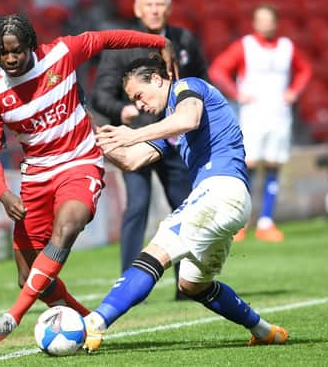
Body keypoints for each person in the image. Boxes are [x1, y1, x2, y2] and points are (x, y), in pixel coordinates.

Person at [0, 14, 176, 345]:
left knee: (67, 227)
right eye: (2, 53)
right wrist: (3, 193)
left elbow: (107, 38)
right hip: (36, 175)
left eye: (17, 52)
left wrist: (158, 42)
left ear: (32, 46)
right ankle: (86, 324)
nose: (10, 59)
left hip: (80, 162)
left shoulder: (61, 54)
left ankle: (13, 317)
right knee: (28, 276)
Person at [82, 55, 288, 353]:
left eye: (139, 95)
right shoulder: (170, 127)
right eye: (133, 100)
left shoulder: (187, 88)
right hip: (227, 202)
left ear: (156, 79)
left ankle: (95, 322)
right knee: (193, 285)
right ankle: (264, 330)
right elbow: (133, 160)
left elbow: (188, 118)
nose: (139, 105)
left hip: (220, 191)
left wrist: (133, 133)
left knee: (156, 251)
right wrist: (95, 140)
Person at [91, 0, 208, 300]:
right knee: (137, 207)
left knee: (186, 207)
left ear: (169, 8)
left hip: (177, 141)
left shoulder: (183, 40)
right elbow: (99, 94)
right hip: (136, 140)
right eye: (149, 5)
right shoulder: (121, 44)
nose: (155, 10)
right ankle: (128, 286)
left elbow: (200, 82)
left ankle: (189, 284)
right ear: (136, 9)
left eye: (160, 4)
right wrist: (123, 110)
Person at [208, 4, 312, 242]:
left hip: (279, 115)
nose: (265, 24)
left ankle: (266, 222)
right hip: (253, 115)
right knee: (249, 165)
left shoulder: (287, 47)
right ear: (254, 23)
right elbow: (218, 70)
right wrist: (235, 92)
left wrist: (294, 91)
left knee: (274, 165)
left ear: (276, 22)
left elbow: (305, 70)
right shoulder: (245, 45)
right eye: (260, 20)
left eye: (268, 19)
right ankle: (240, 222)